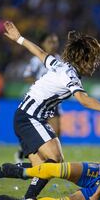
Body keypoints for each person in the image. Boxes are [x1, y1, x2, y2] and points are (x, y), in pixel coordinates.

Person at [0, 21, 100, 200]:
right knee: (56, 160)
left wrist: (19, 39)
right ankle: (10, 181)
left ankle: (11, 184)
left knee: (41, 169)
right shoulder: (69, 74)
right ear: (83, 59)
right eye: (93, 59)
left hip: (28, 117)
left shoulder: (61, 66)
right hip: (29, 117)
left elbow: (41, 53)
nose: (96, 63)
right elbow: (83, 100)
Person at [15, 33, 61, 163]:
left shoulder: (59, 60)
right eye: (50, 41)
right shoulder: (37, 60)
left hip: (53, 101)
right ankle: (29, 152)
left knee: (57, 132)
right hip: (39, 100)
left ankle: (48, 158)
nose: (53, 44)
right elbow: (27, 76)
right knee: (44, 131)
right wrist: (41, 83)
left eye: (55, 42)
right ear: (42, 44)